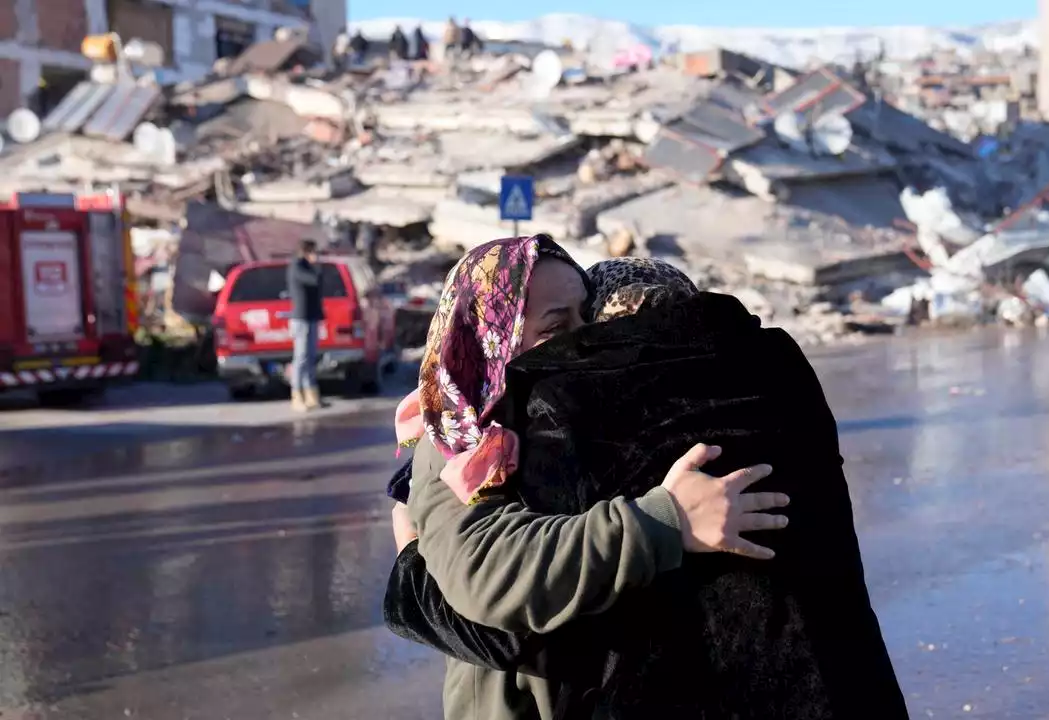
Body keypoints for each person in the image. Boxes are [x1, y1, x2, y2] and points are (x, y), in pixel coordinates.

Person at [386, 255, 906, 718]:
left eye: (590, 328)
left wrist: (412, 574)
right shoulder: (470, 432)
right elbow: (501, 599)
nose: (581, 346)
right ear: (491, 334)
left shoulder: (578, 428)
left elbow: (515, 629)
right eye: (558, 326)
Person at [286, 239, 325, 411]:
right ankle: (297, 394)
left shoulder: (307, 267)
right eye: (313, 252)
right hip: (301, 318)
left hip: (311, 317)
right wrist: (316, 266)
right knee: (300, 357)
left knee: (310, 357)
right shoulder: (297, 267)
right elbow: (314, 280)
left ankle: (311, 395)